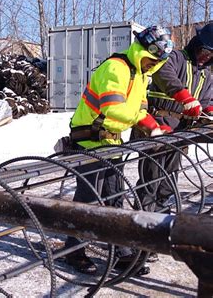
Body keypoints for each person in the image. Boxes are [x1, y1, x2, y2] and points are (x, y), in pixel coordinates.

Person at [63, 25, 174, 276]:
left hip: (111, 141)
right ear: (141, 49)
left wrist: (153, 127)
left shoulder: (141, 75)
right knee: (89, 198)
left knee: (114, 197)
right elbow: (112, 107)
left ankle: (119, 253)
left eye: (155, 63)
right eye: (150, 59)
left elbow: (140, 110)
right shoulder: (117, 67)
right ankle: (73, 251)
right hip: (89, 140)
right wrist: (140, 120)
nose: (151, 65)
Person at [134, 23, 213, 215]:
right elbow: (164, 75)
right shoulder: (175, 58)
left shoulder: (205, 75)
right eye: (204, 51)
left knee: (168, 182)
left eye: (211, 55)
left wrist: (209, 110)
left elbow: (206, 101)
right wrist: (183, 96)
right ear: (196, 44)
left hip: (179, 134)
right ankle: (141, 226)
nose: (206, 56)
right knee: (150, 181)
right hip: (157, 129)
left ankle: (160, 223)